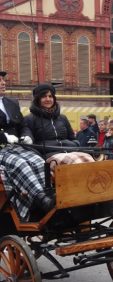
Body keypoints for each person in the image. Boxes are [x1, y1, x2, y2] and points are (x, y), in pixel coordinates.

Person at [0, 73, 53, 221]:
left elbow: (22, 125)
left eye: (3, 79)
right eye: (0, 80)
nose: (3, 83)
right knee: (20, 164)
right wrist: (3, 137)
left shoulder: (11, 102)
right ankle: (40, 199)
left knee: (39, 161)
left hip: (16, 147)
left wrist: (26, 135)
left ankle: (47, 195)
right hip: (1, 149)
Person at [22, 83, 80, 157]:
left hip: (70, 152)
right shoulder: (29, 119)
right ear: (37, 99)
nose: (48, 99)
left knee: (90, 160)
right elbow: (29, 144)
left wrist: (75, 144)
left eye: (50, 96)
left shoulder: (62, 118)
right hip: (47, 156)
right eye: (44, 96)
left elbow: (72, 138)